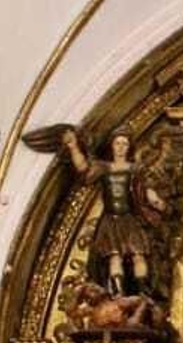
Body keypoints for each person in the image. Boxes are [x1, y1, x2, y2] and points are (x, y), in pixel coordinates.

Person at [62, 126, 166, 296]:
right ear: (112, 146)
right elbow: (83, 168)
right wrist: (73, 147)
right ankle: (118, 293)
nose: (120, 147)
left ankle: (143, 292)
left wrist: (156, 201)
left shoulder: (135, 169)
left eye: (124, 144)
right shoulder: (104, 167)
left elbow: (145, 189)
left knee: (138, 254)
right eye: (117, 143)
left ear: (129, 147)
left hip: (129, 218)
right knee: (114, 256)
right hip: (110, 219)